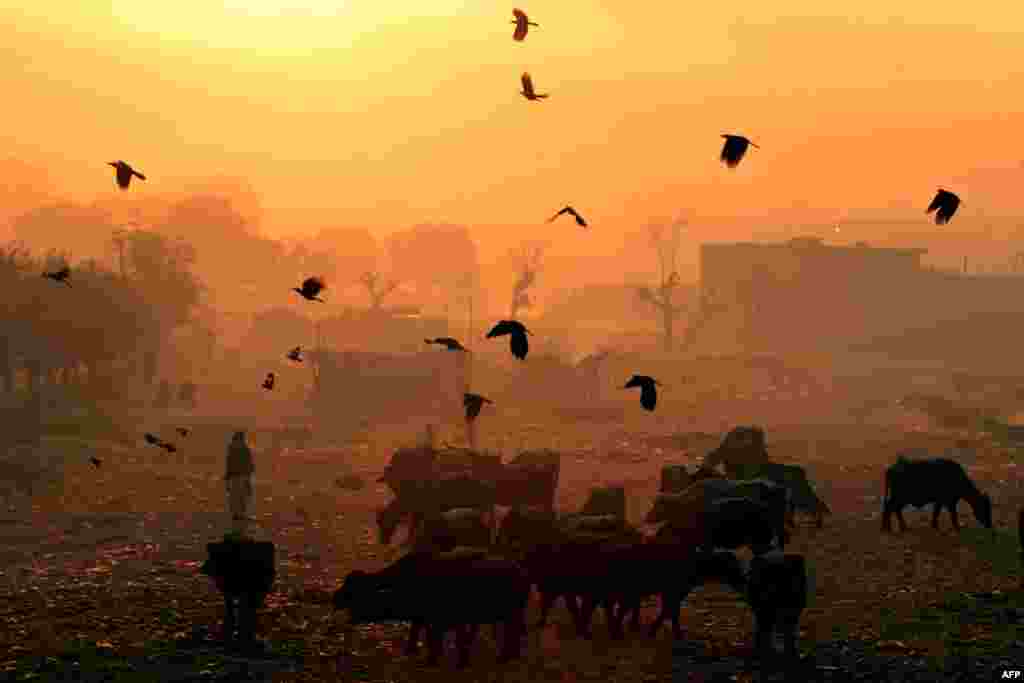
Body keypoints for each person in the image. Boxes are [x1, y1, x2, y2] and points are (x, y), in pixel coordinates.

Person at [225, 431, 254, 536]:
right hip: (241, 477)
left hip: (235, 477)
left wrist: (227, 478)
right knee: (241, 500)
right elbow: (250, 466)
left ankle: (237, 524)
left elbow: (229, 464)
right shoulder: (245, 449)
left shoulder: (232, 449)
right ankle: (240, 525)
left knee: (235, 501)